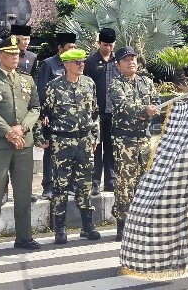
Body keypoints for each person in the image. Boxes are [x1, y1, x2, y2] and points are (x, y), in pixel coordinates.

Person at [0, 36, 42, 258]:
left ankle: (24, 236)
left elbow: (35, 107)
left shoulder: (27, 79)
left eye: (17, 54)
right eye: (10, 54)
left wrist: (21, 129)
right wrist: (8, 131)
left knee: (24, 191)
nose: (15, 57)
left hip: (24, 142)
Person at [44, 47, 101, 244]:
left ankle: (87, 226)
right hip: (63, 141)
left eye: (82, 61)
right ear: (66, 65)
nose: (81, 65)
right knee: (60, 185)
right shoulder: (54, 86)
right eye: (77, 62)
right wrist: (43, 137)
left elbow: (94, 112)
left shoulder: (89, 84)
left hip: (84, 141)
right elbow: (46, 114)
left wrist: (95, 136)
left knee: (85, 185)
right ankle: (60, 228)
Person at [107, 46, 158, 240]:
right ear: (118, 65)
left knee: (144, 181)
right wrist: (145, 112)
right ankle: (122, 223)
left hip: (144, 139)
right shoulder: (116, 84)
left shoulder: (146, 82)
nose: (131, 62)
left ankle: (142, 221)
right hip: (124, 141)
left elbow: (157, 103)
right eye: (126, 60)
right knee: (124, 183)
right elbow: (124, 106)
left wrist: (148, 116)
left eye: (133, 58)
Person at [34, 32, 77, 199]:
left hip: (71, 118)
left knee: (71, 151)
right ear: (60, 49)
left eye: (74, 47)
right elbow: (42, 91)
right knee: (50, 151)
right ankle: (48, 185)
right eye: (69, 47)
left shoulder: (75, 64)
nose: (73, 49)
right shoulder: (49, 64)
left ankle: (70, 184)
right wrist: (44, 113)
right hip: (52, 118)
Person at [87, 28, 117, 196]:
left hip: (113, 112)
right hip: (97, 112)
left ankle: (111, 180)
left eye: (111, 45)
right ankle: (95, 181)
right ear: (99, 43)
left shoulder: (117, 61)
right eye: (105, 45)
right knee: (96, 147)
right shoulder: (91, 61)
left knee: (111, 147)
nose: (108, 48)